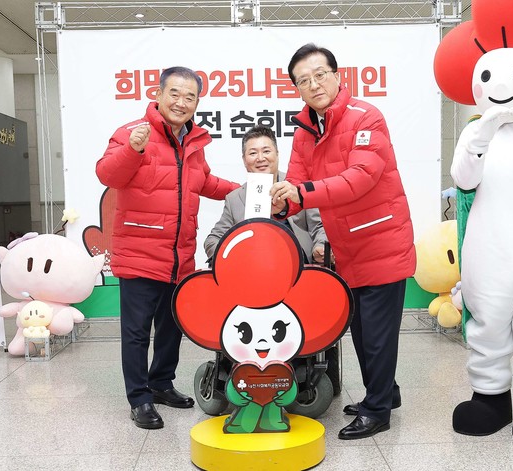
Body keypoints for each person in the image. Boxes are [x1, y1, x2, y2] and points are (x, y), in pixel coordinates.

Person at [270, 44, 416, 440]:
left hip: (382, 239)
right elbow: (297, 182)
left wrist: (301, 193)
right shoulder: (306, 130)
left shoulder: (366, 117)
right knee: (362, 331)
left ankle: (377, 411)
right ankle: (385, 393)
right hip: (346, 247)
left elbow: (360, 177)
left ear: (337, 76)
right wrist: (283, 202)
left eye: (320, 75)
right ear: (297, 88)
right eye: (303, 80)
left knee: (377, 334)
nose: (314, 84)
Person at [96, 66, 239, 430]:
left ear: (197, 103)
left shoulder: (193, 141)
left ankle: (161, 383)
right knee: (137, 333)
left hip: (179, 256)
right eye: (174, 93)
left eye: (190, 97)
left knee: (172, 327)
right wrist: (133, 149)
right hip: (140, 254)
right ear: (158, 95)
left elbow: (204, 182)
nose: (181, 102)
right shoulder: (132, 133)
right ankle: (139, 399)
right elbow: (108, 175)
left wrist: (247, 190)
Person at [204, 125, 327, 264]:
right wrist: (232, 256)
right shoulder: (234, 198)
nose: (260, 158)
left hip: (300, 266)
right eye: (253, 153)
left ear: (277, 154)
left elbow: (320, 226)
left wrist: (320, 246)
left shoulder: (297, 186)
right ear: (244, 160)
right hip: (252, 270)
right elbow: (212, 240)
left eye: (266, 151)